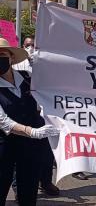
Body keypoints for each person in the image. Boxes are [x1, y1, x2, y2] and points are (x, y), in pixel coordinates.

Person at [0, 38, 60, 205]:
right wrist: (32, 131)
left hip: (30, 146)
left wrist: (44, 64)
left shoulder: (26, 78)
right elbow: (3, 122)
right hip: (4, 145)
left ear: (11, 57)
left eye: (2, 55)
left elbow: (49, 93)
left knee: (28, 189)